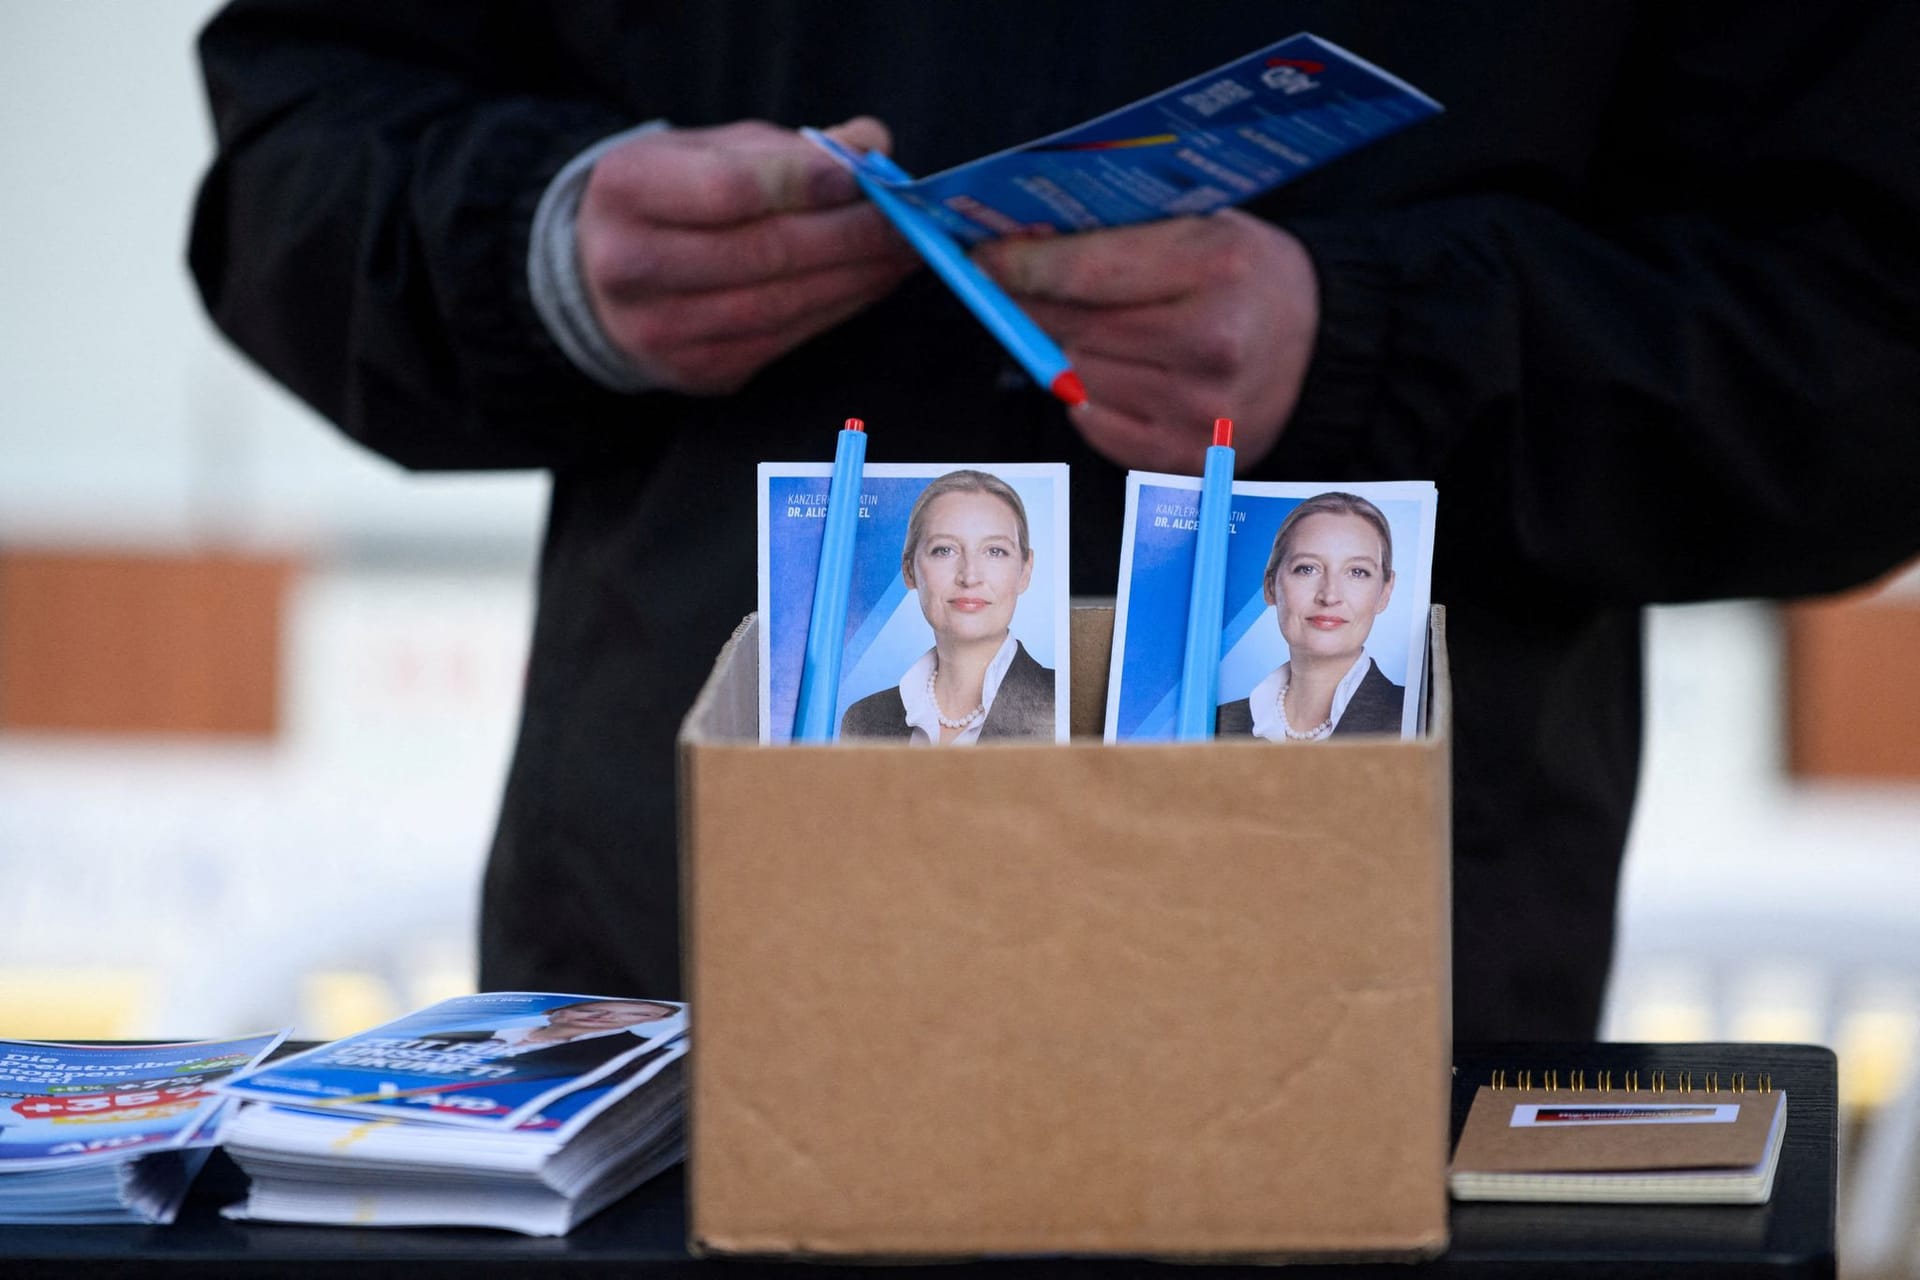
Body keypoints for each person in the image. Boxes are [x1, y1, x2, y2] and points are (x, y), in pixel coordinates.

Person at [187, 2, 1920, 1042]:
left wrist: (1389, 339)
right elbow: (299, 156)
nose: (967, 581)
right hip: (681, 1040)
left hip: (1380, 1054)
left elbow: (1860, 351)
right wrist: (537, 248)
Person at [840, 470, 1055, 744]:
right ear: (909, 571)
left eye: (995, 551)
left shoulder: (1062, 703)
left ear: (1025, 571)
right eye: (944, 550)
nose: (970, 576)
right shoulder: (864, 720)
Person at [1217, 493, 1404, 741]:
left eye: (1357, 572)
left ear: (1385, 591)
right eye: (1307, 568)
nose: (1329, 595)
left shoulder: (1419, 720)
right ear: (1270, 586)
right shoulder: (1218, 724)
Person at [412, 998, 679, 1080]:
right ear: (559, 1011)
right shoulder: (446, 1035)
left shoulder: (639, 1057)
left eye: (638, 1014)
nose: (602, 1016)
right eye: (594, 1007)